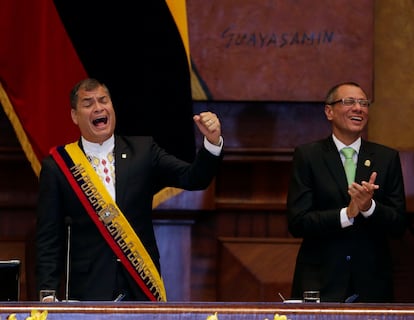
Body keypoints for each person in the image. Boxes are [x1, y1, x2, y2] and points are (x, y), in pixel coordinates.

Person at [35, 78, 223, 301]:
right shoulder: (58, 166)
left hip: (140, 282)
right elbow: (49, 238)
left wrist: (212, 141)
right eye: (88, 103)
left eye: (103, 100)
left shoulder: (143, 151)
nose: (98, 107)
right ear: (75, 116)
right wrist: (47, 293)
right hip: (88, 288)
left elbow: (193, 178)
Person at [287, 81, 407, 303]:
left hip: (372, 284)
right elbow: (298, 222)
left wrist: (369, 207)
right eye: (349, 102)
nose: (358, 108)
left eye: (363, 103)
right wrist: (347, 214)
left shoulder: (386, 158)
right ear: (329, 111)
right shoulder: (308, 156)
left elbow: (399, 224)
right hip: (321, 281)